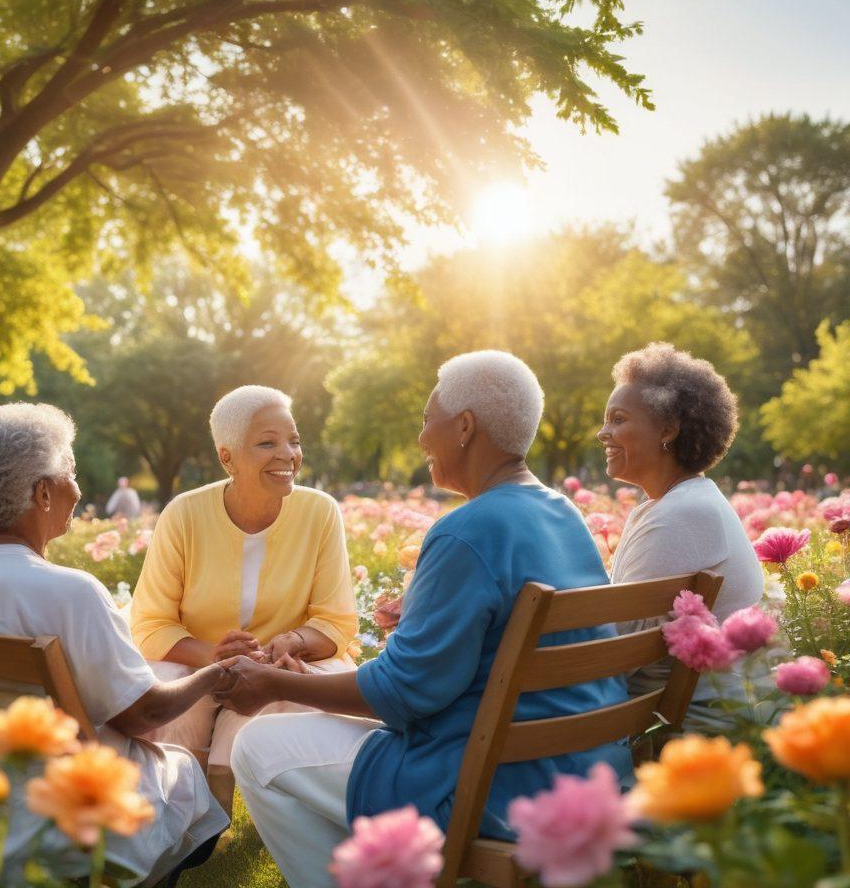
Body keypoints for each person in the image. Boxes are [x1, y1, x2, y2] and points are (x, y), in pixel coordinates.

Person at [219, 352, 632, 888]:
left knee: (258, 747)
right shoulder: (560, 512)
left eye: (425, 419)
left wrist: (273, 685)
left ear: (464, 427)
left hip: (494, 787)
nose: (421, 438)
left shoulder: (468, 530)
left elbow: (405, 694)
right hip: (577, 771)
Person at [0, 404, 231, 887]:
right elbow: (143, 715)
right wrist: (215, 673)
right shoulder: (71, 590)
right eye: (71, 472)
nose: (77, 489)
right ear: (42, 492)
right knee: (182, 772)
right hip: (49, 822)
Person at [130, 385, 358, 813]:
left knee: (317, 681)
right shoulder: (184, 513)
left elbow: (336, 622)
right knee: (170, 686)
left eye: (294, 440)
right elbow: (151, 624)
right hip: (199, 661)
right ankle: (180, 802)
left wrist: (293, 642)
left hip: (281, 663)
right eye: (267, 443)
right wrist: (214, 657)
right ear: (227, 457)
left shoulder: (320, 511)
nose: (287, 454)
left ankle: (240, 792)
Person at [598, 342, 764, 729]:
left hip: (697, 726)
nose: (603, 432)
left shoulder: (679, 515)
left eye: (618, 419)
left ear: (668, 429)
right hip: (681, 711)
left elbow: (612, 649)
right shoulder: (680, 503)